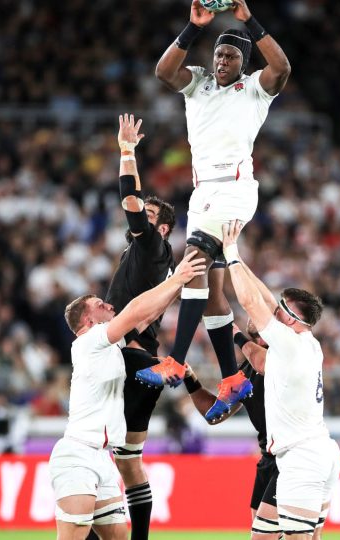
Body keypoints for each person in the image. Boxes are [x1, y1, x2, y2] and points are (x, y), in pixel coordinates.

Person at [140, 0, 292, 422]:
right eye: (219, 54)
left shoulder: (255, 89)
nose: (222, 60)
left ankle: (176, 358)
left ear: (244, 63)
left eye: (231, 56)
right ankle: (231, 377)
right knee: (212, 293)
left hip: (235, 189)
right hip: (202, 191)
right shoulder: (200, 82)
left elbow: (281, 69)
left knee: (193, 263)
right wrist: (191, 29)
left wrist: (249, 22)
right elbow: (164, 72)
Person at [50, 252, 205, 540]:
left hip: (101, 458)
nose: (108, 304)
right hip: (78, 456)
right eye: (99, 305)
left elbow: (147, 315)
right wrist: (180, 276)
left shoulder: (108, 344)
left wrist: (175, 284)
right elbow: (134, 311)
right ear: (87, 320)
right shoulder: (87, 343)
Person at [220, 220, 339, 539]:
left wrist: (230, 253)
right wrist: (240, 261)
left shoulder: (289, 343)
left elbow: (251, 303)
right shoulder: (307, 342)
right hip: (317, 450)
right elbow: (266, 300)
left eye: (284, 310)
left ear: (297, 322)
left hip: (302, 457)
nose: (276, 312)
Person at [181, 320, 326, 540]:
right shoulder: (247, 369)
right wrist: (189, 377)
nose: (249, 315)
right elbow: (214, 414)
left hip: (294, 455)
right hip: (269, 458)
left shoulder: (283, 356)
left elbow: (262, 362)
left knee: (273, 536)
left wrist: (235, 333)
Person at [103, 114, 177, 540]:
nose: (139, 218)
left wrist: (126, 151)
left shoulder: (152, 245)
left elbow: (129, 198)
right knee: (129, 460)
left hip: (126, 355)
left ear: (161, 227)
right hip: (142, 354)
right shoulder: (152, 256)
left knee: (96, 445)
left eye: (150, 216)